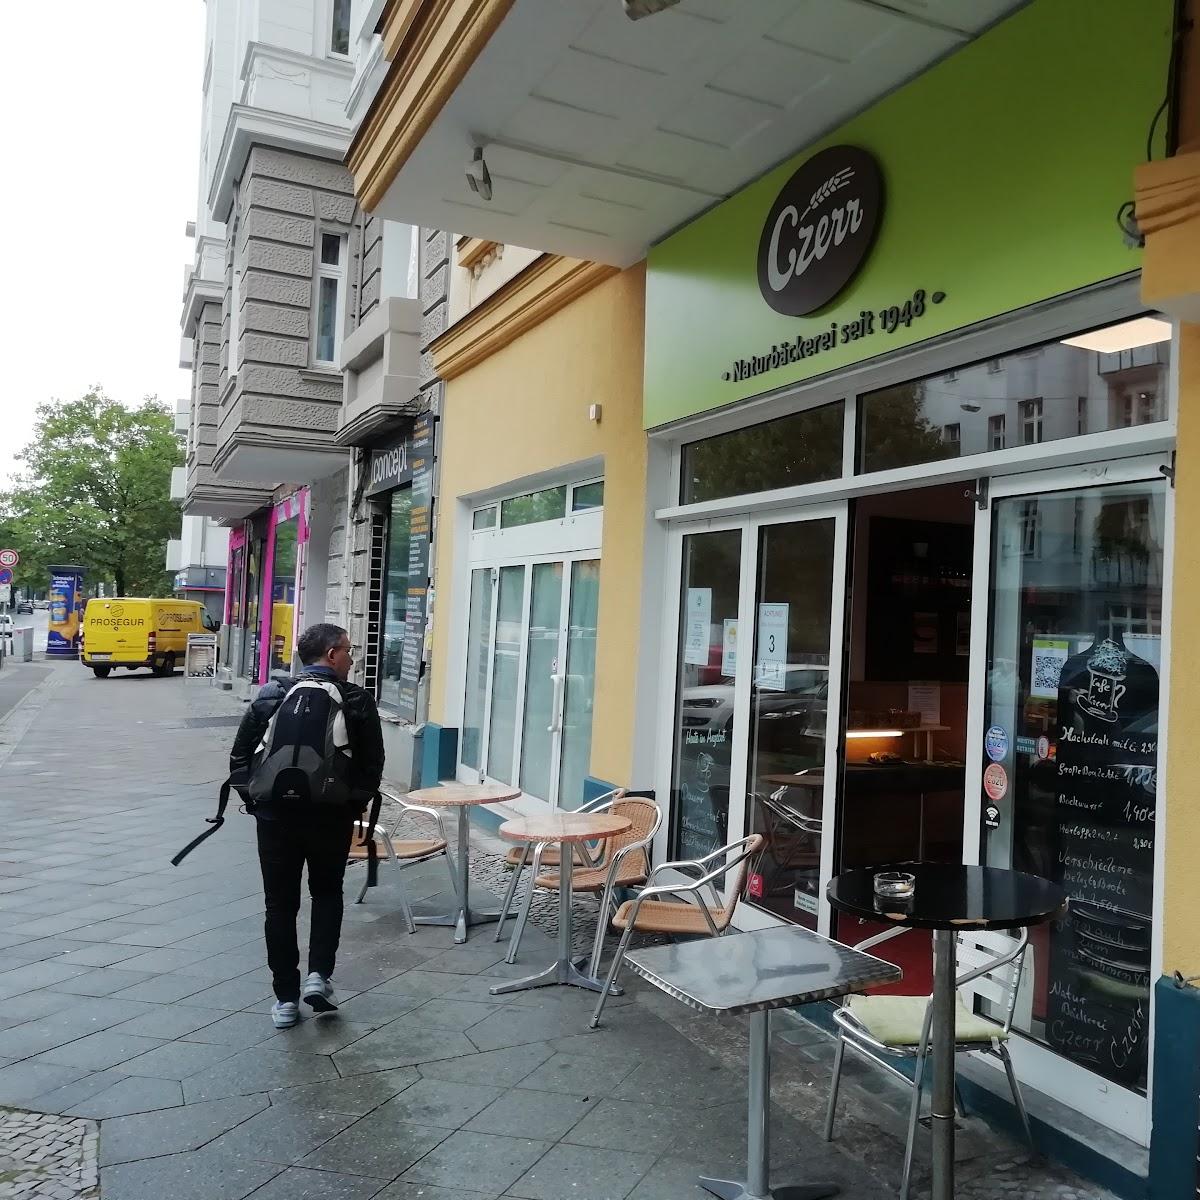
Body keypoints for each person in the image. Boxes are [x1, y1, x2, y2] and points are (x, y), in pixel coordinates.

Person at [229, 622, 385, 1029]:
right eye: (349, 651)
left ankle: (284, 999)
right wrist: (350, 805)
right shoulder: (355, 700)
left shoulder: (272, 695)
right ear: (332, 654)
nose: (352, 659)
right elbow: (372, 767)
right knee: (327, 893)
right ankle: (320, 977)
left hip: (275, 818)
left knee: (278, 906)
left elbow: (240, 756)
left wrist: (258, 800)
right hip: (329, 817)